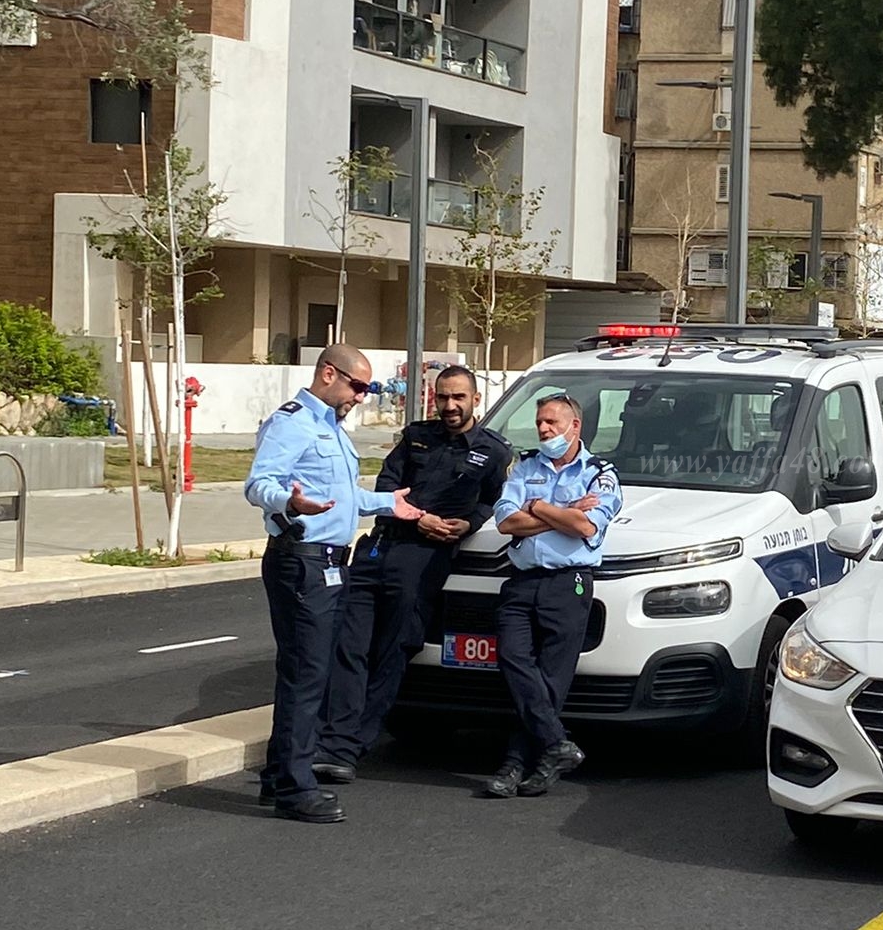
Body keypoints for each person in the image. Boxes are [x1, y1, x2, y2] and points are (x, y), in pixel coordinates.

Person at [313, 366, 511, 784]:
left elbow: (493, 500)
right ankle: (333, 739)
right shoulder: (417, 436)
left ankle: (347, 749)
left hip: (424, 558)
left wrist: (467, 525)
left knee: (393, 649)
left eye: (459, 397)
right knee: (348, 646)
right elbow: (388, 483)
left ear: (476, 400)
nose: (450, 406)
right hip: (381, 545)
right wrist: (420, 517)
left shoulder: (493, 450)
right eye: (443, 398)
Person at [244, 344, 412, 823]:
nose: (361, 397)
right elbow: (259, 485)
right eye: (357, 386)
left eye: (366, 389)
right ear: (328, 374)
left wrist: (385, 503)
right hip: (303, 561)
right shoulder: (293, 422)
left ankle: (278, 777)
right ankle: (296, 788)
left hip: (332, 562)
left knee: (310, 672)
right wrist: (291, 505)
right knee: (307, 676)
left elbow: (338, 497)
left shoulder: (331, 429)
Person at [483, 392, 622, 799]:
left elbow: (585, 527)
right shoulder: (525, 466)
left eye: (551, 423)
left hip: (569, 583)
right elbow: (507, 522)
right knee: (512, 657)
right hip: (522, 580)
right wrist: (561, 511)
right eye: (540, 422)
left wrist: (539, 505)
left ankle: (517, 762)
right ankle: (556, 744)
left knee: (550, 678)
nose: (543, 429)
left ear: (574, 426)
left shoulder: (600, 473)